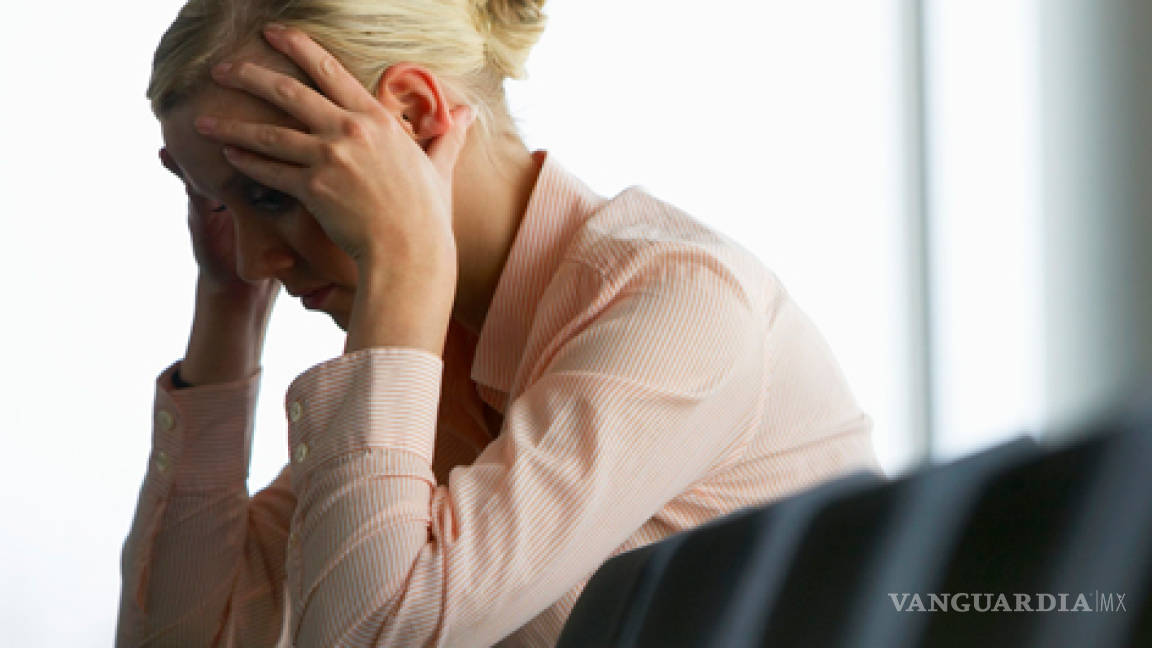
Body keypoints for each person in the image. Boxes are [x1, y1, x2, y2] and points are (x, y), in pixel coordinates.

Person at [116, 1, 882, 645]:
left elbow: (373, 635)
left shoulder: (678, 304)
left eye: (271, 196)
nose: (252, 259)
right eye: (219, 205)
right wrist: (226, 315)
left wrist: (406, 264)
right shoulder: (439, 343)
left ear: (412, 117)